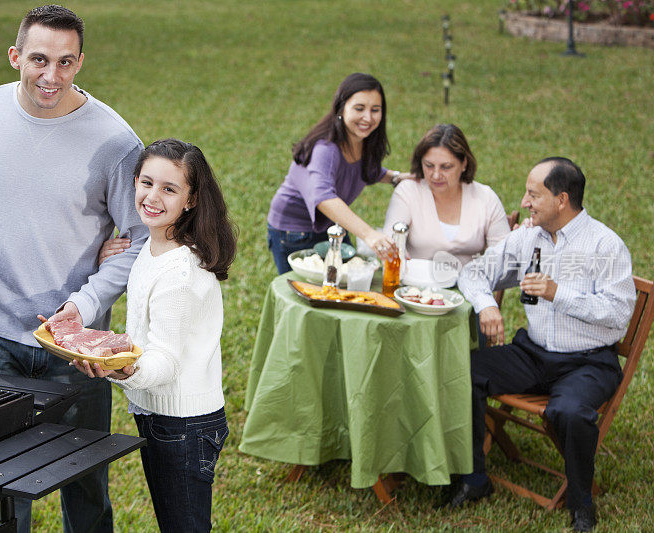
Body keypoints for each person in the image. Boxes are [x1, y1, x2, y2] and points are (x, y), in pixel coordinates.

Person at [0, 5, 146, 532]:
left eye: (66, 63)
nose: (52, 76)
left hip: (74, 350)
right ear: (15, 57)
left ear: (79, 63)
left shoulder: (115, 140)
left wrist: (84, 304)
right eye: (40, 60)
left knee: (85, 486)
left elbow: (140, 237)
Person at [452, 157, 636, 532]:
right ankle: (474, 479)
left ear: (562, 199)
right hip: (533, 353)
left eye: (533, 194)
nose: (524, 202)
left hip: (588, 362)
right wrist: (487, 305)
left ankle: (581, 503)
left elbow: (618, 316)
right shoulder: (527, 237)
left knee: (569, 412)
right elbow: (474, 272)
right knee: (462, 372)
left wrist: (558, 293)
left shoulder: (605, 245)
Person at [72, 139, 236, 533]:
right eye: (146, 183)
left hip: (183, 425)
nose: (152, 197)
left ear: (191, 200)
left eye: (169, 189)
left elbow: (165, 361)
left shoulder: (180, 275)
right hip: (162, 417)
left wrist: (121, 370)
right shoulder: (154, 245)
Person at [266, 72, 411, 274]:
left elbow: (363, 169)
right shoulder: (325, 149)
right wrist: (369, 235)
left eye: (375, 109)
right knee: (311, 293)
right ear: (341, 108)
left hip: (329, 225)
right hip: (293, 231)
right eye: (359, 108)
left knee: (344, 284)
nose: (368, 117)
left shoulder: (361, 141)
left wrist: (395, 177)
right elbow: (323, 197)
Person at [384, 124, 510, 268]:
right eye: (429, 165)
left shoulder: (485, 197)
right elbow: (389, 242)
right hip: (415, 286)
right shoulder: (408, 191)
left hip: (469, 285)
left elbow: (503, 258)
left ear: (464, 164)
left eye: (446, 167)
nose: (436, 175)